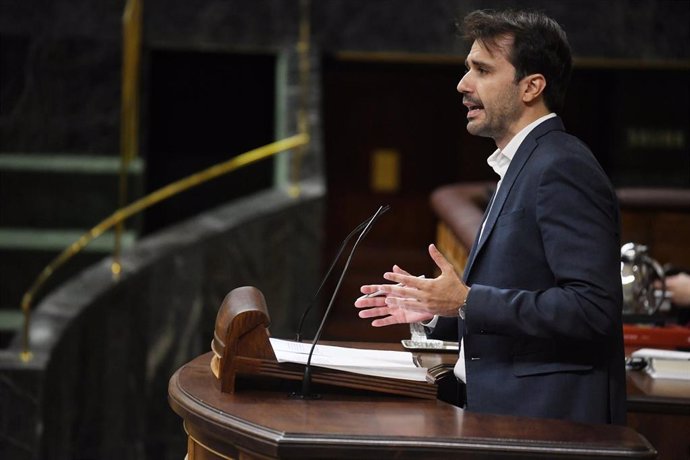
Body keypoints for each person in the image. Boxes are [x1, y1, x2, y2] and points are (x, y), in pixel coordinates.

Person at [354, 9, 626, 425]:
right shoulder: (523, 163)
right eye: (468, 69)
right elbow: (519, 288)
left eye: (482, 70)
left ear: (531, 86)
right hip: (505, 413)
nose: (463, 85)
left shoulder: (562, 166)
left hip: (548, 426)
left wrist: (466, 300)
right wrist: (437, 309)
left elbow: (592, 309)